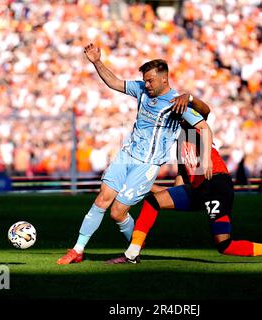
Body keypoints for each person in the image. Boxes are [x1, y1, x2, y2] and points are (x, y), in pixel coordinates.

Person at [57, 43, 213, 264]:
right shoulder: (141, 89)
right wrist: (97, 62)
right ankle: (77, 250)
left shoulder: (176, 102)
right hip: (126, 155)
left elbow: (204, 126)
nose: (146, 84)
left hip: (147, 164)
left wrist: (205, 160)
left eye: (150, 80)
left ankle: (135, 247)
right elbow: (114, 82)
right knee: (102, 200)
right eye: (145, 80)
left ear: (164, 80)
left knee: (117, 213)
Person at [107, 95, 262, 264]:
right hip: (197, 190)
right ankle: (132, 253)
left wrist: (191, 98)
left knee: (225, 245)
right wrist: (143, 185)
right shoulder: (180, 142)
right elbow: (180, 184)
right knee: (152, 202)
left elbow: (205, 109)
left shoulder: (197, 128)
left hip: (216, 185)